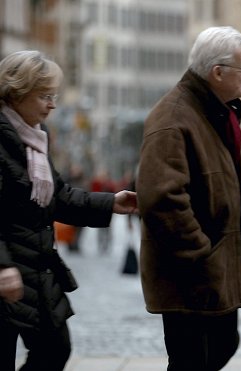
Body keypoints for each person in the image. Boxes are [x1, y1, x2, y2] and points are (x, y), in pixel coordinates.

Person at [136, 26, 241, 371]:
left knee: (223, 344)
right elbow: (161, 198)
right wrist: (200, 252)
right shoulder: (174, 117)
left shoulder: (216, 111)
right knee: (192, 359)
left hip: (214, 265)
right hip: (189, 270)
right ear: (218, 72)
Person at [0, 50, 138, 371]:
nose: (52, 105)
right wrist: (3, 267)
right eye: (44, 96)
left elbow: (57, 196)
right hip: (8, 271)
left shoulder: (34, 138)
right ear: (16, 93)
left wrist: (110, 203)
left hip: (35, 270)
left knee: (55, 350)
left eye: (54, 95)